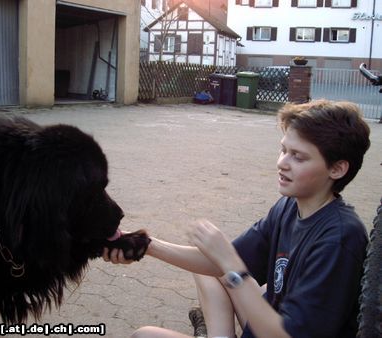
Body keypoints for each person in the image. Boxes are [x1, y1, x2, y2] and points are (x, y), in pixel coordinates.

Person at [103, 99, 371, 338]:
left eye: (298, 157)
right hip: (268, 320)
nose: (282, 163)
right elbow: (216, 264)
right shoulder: (289, 207)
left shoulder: (339, 239)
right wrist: (146, 245)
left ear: (337, 169)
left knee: (144, 335)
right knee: (212, 268)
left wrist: (231, 264)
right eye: (283, 150)